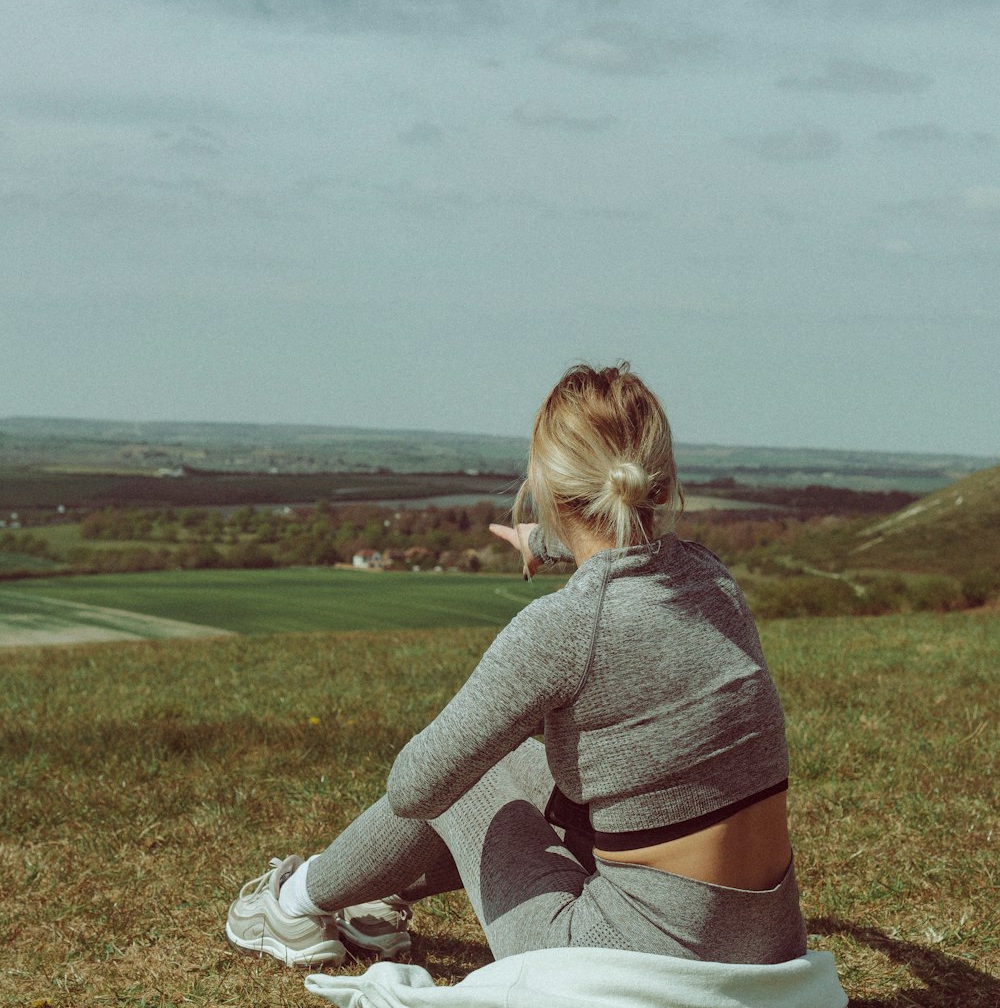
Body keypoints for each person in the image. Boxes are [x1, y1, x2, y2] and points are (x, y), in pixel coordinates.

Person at [225, 364, 805, 970]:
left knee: (463, 776)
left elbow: (415, 787)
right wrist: (548, 544)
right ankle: (370, 893)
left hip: (619, 961)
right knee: (535, 770)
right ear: (660, 481)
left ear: (550, 491)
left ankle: (289, 905)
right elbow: (629, 547)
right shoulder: (711, 581)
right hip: (769, 949)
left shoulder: (563, 628)